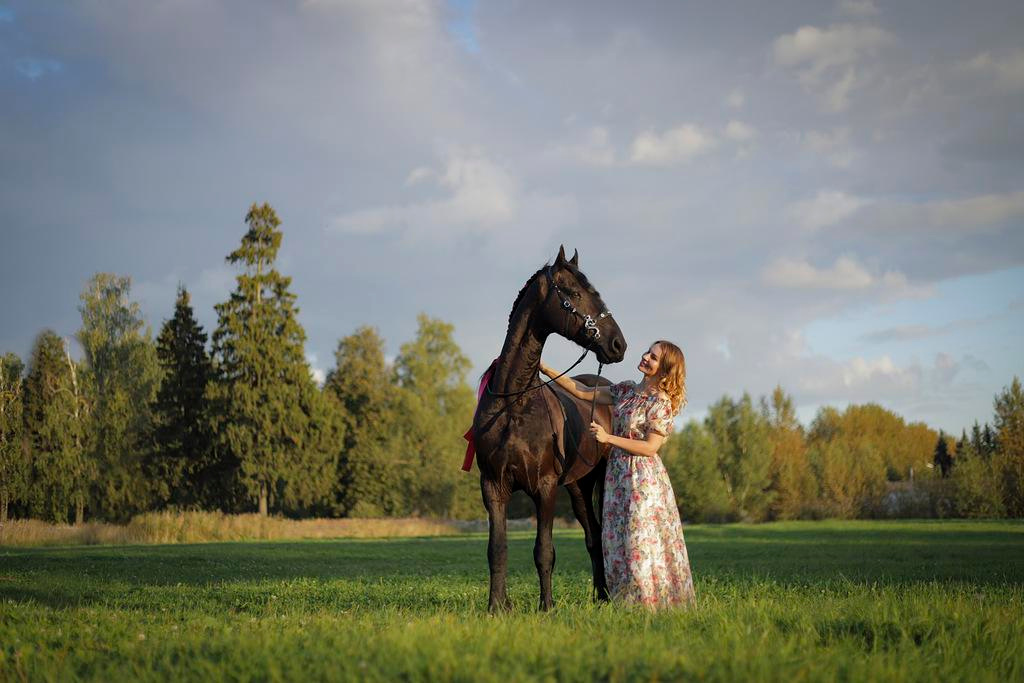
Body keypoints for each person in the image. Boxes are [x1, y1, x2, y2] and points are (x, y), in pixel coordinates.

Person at [540, 340, 695, 609]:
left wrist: (607, 437)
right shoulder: (626, 390)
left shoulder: (660, 404)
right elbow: (584, 391)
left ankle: (648, 604)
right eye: (648, 352)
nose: (646, 357)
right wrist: (544, 368)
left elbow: (650, 447)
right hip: (617, 477)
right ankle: (625, 603)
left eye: (654, 357)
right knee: (617, 541)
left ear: (664, 369)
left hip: (643, 480)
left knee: (640, 542)